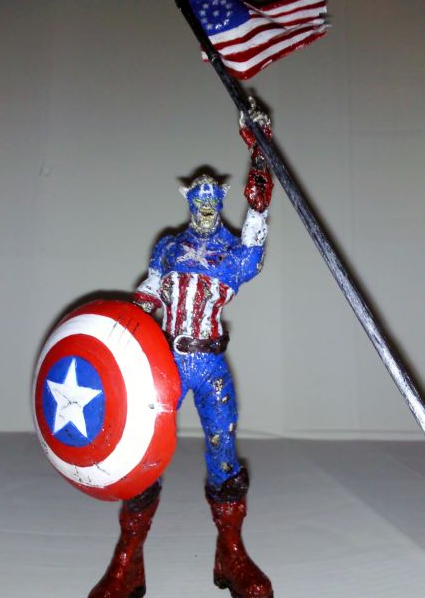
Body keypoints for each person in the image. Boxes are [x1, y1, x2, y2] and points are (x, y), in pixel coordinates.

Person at [89, 100, 274, 598]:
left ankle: (231, 552)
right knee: (141, 452)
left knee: (223, 453)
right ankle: (128, 563)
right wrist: (127, 322)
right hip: (164, 363)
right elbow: (150, 292)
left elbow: (253, 252)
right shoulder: (169, 247)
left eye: (215, 199)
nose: (207, 206)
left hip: (210, 363)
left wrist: (261, 186)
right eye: (200, 198)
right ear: (190, 201)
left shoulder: (231, 251)